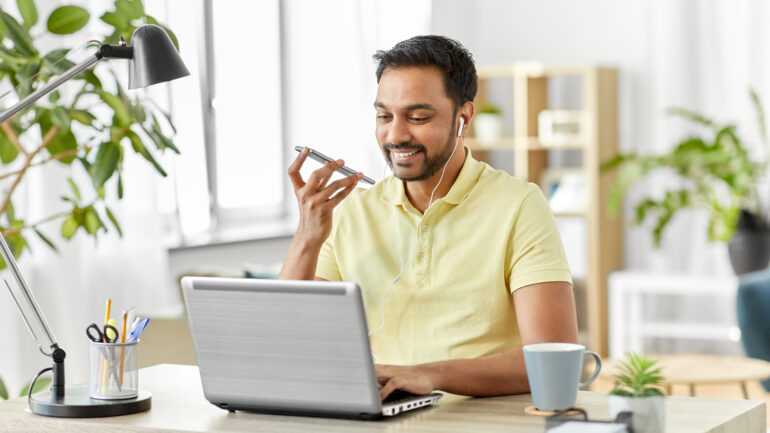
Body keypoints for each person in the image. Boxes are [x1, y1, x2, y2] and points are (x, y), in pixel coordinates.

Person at [279, 35, 577, 400]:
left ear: (463, 117)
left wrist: (429, 376)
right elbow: (289, 341)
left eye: (418, 117)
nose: (396, 135)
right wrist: (307, 236)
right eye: (384, 116)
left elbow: (553, 357)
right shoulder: (353, 210)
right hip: (385, 416)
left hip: (482, 418)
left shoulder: (519, 205)